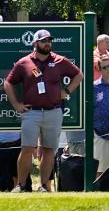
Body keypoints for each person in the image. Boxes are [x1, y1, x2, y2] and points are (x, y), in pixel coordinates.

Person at [4, 29, 83, 193]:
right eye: (43, 41)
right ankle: (21, 185)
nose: (47, 43)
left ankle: (44, 186)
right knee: (27, 148)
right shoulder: (24, 62)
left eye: (49, 40)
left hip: (53, 111)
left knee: (48, 150)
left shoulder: (60, 60)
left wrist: (67, 91)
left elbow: (78, 75)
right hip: (31, 113)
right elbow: (8, 83)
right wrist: (17, 105)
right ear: (35, 43)